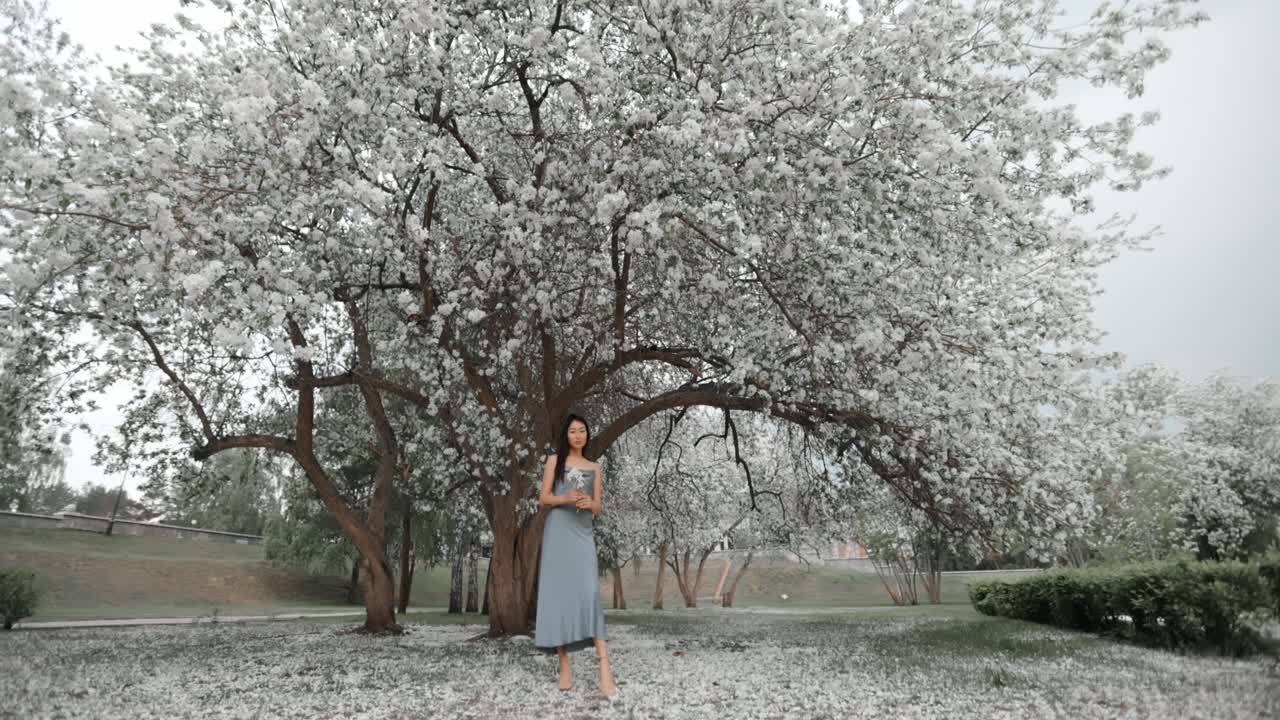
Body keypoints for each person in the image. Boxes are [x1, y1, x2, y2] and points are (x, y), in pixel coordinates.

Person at [534, 413, 619, 700]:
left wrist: (588, 502)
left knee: (590, 593)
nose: (578, 435)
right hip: (558, 533)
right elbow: (543, 498)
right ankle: (564, 664)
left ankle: (604, 668)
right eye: (573, 431)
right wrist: (566, 498)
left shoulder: (594, 467)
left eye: (582, 430)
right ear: (566, 435)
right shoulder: (553, 462)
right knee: (558, 599)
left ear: (587, 434)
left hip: (583, 535)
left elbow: (598, 507)